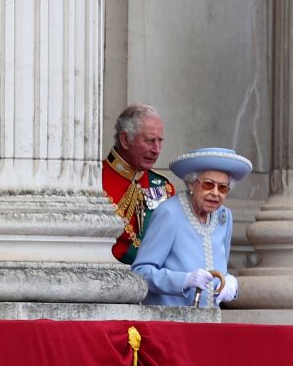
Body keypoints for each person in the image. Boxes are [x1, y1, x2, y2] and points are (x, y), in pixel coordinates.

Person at [132, 147, 253, 307]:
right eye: (208, 185)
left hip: (209, 322)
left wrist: (230, 281)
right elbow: (141, 272)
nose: (216, 193)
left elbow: (219, 270)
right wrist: (184, 280)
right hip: (171, 322)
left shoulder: (224, 217)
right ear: (191, 184)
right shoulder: (170, 213)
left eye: (223, 188)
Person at [102, 103, 177, 264]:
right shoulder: (94, 181)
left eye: (160, 141)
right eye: (150, 141)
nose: (156, 149)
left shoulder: (163, 187)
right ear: (125, 139)